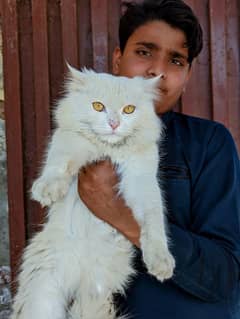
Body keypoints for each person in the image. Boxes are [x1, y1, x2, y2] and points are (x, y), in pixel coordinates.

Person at [78, 0, 240, 318]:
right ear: (116, 59)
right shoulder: (80, 144)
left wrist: (123, 216)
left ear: (188, 75)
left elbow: (224, 275)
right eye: (144, 52)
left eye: (176, 60)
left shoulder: (208, 143)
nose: (157, 71)